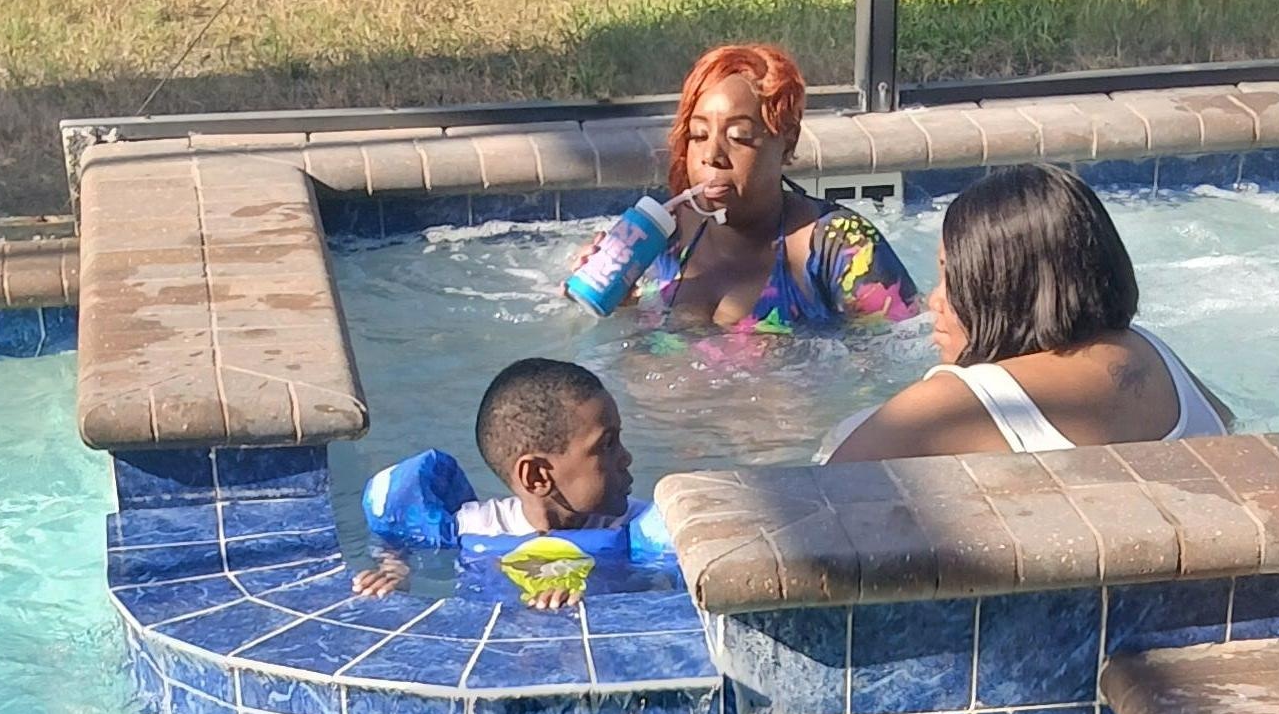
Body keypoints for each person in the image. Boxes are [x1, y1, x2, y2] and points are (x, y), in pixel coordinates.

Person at [820, 166, 1227, 466]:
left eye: (949, 274)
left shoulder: (955, 400)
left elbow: (819, 503)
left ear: (999, 287)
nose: (933, 299)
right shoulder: (1156, 356)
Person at [563, 44, 916, 334]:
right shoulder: (659, 236)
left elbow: (899, 354)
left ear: (787, 141)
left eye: (739, 137)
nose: (712, 155)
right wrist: (619, 305)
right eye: (698, 135)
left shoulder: (839, 246)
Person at [355, 360, 676, 602]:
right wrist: (396, 568)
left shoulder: (634, 529)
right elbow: (400, 552)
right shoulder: (469, 531)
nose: (626, 458)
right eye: (606, 445)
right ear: (537, 477)